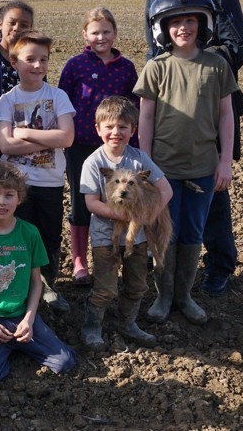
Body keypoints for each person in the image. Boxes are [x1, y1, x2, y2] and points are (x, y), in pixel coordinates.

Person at [145, 0, 243, 297]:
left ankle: (220, 264)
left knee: (213, 187)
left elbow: (237, 45)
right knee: (168, 188)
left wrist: (195, 62)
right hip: (169, 106)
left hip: (211, 99)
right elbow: (152, 49)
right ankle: (167, 273)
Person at [135, 0, 238, 325]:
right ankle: (163, 297)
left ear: (203, 24)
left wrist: (225, 162)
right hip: (163, 170)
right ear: (163, 28)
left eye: (190, 20)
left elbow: (226, 115)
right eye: (175, 22)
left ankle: (185, 295)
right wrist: (146, 165)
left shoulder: (217, 65)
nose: (183, 28)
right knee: (166, 232)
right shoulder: (156, 67)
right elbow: (145, 118)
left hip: (203, 168)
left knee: (193, 232)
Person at [0, 161, 77, 384]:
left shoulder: (29, 233)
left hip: (21, 315)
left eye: (9, 195)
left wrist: (29, 320)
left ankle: (14, 342)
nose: (2, 202)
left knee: (65, 363)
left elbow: (36, 281)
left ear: (19, 198)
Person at [79, 96, 172, 349]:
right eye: (109, 127)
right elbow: (91, 203)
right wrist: (123, 216)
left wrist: (148, 215)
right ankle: (92, 327)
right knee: (105, 288)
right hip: (104, 237)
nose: (115, 132)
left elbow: (166, 190)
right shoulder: (93, 163)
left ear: (133, 129)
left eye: (122, 127)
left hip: (138, 238)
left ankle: (128, 324)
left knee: (137, 285)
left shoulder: (139, 158)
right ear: (98, 129)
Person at [0, 30, 75, 314]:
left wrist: (25, 132)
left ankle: (48, 285)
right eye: (30, 59)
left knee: (49, 236)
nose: (38, 65)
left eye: (43, 59)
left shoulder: (58, 96)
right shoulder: (7, 100)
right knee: (19, 235)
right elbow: (6, 143)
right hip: (17, 184)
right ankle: (19, 286)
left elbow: (66, 138)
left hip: (51, 182)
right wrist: (45, 136)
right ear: (15, 62)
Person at [58, 7, 138, 286]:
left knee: (117, 199)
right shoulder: (75, 65)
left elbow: (133, 107)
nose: (101, 37)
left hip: (115, 148)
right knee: (82, 203)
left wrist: (134, 144)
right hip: (81, 146)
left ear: (115, 33)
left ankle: (115, 251)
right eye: (95, 32)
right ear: (85, 34)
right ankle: (79, 260)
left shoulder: (126, 68)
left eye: (106, 31)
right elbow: (63, 104)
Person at [0, 1, 35, 102]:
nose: (16, 28)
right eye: (12, 23)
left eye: (24, 25)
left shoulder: (35, 59)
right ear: (0, 24)